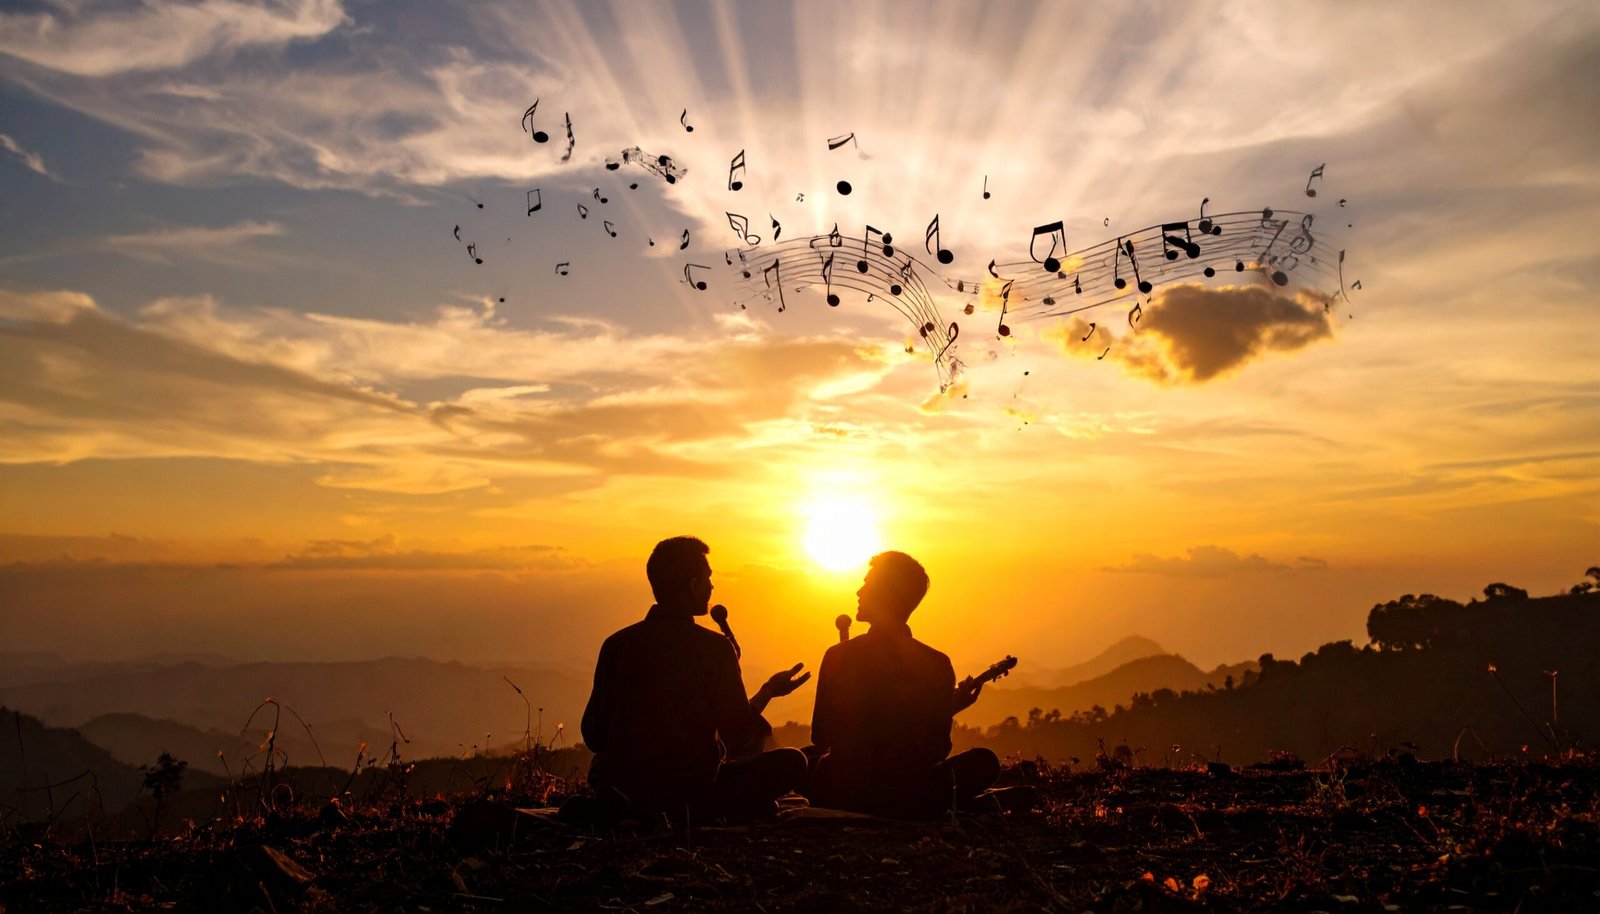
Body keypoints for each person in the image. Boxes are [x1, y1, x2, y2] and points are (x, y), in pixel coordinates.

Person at [577, 536, 810, 822]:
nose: (712, 587)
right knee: (794, 761)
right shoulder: (715, 649)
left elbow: (593, 735)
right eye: (708, 578)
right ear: (693, 585)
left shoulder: (616, 644)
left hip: (626, 793)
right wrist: (766, 692)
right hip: (690, 795)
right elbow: (739, 737)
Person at [806, 551, 1002, 819]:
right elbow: (936, 750)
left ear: (886, 595)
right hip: (908, 793)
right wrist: (942, 711)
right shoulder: (937, 663)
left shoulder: (838, 655)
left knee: (802, 760)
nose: (859, 591)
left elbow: (821, 736)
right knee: (984, 761)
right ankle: (946, 803)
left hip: (842, 791)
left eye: (867, 584)